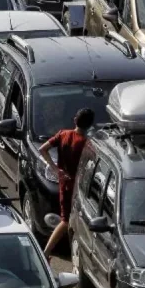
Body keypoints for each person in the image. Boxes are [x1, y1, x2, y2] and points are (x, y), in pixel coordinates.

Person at [39, 108, 95, 262]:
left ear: (75, 120)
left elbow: (42, 149)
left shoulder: (63, 134)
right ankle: (46, 252)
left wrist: (56, 169)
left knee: (67, 219)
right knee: (68, 221)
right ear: (90, 125)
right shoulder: (86, 144)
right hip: (78, 188)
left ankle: (49, 252)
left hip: (64, 183)